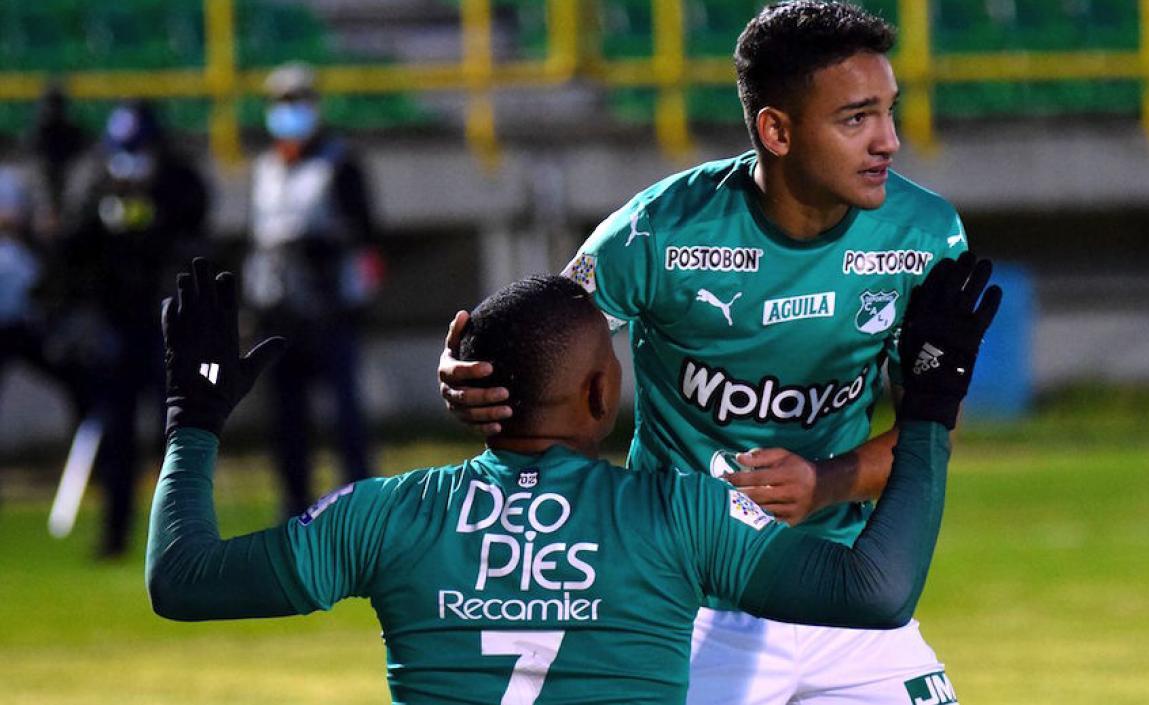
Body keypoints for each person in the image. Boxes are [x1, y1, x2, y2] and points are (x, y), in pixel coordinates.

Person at [147, 258, 999, 704]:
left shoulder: (384, 513)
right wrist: (926, 410)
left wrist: (194, 420)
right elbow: (878, 589)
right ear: (600, 393)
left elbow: (180, 582)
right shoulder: (680, 514)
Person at [440, 2, 976, 702]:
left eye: (889, 110)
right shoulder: (657, 233)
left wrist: (825, 481)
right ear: (776, 130)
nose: (889, 141)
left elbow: (931, 429)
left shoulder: (924, 234)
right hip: (688, 596)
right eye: (856, 119)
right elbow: (536, 343)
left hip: (841, 584)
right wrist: (467, 370)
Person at [64, 100, 209, 557]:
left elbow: (195, 245)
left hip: (167, 326)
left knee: (179, 435)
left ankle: (183, 534)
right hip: (117, 328)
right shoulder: (97, 185)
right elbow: (74, 249)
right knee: (118, 434)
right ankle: (116, 532)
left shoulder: (178, 184)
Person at [243, 61, 382, 518]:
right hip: (279, 309)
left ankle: (360, 510)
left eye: (297, 101)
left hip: (329, 305)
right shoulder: (266, 166)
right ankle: (294, 509)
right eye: (281, 102)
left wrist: (324, 250)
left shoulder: (340, 163)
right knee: (286, 421)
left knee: (345, 417)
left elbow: (365, 232)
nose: (290, 111)